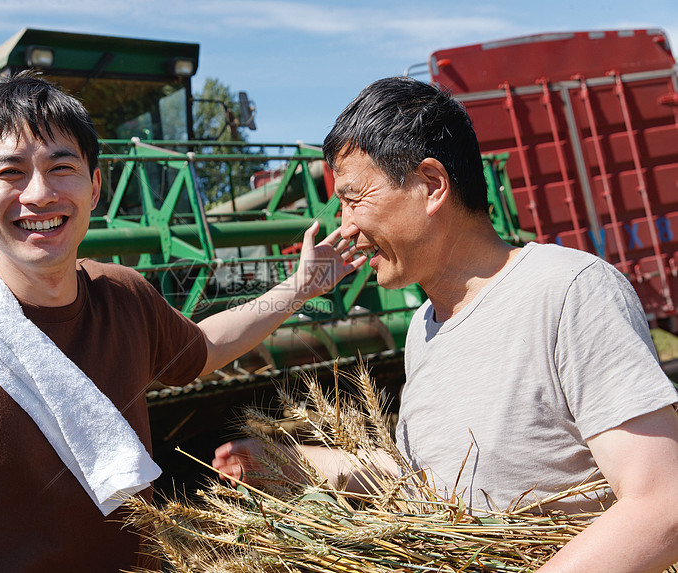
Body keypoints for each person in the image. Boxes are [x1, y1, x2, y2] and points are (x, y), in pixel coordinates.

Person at [0, 74, 365, 572]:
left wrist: (301, 289)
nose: (39, 193)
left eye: (62, 167)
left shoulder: (122, 294)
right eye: (9, 172)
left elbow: (203, 347)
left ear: (94, 186)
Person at [213, 76, 678, 572]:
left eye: (353, 199)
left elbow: (661, 503)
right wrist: (293, 462)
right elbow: (437, 478)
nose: (345, 227)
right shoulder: (424, 327)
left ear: (431, 185)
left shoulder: (568, 291)